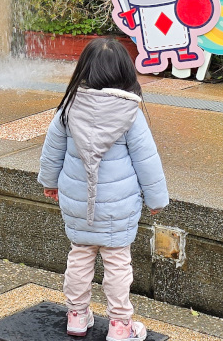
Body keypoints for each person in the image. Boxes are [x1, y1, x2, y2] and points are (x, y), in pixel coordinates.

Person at [38, 37, 168, 341]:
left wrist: (49, 182)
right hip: (117, 206)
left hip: (77, 202)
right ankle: (121, 325)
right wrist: (156, 199)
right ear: (125, 72)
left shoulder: (69, 107)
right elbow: (147, 159)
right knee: (117, 262)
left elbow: (52, 149)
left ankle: (77, 316)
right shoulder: (130, 113)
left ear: (83, 69)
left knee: (80, 256)